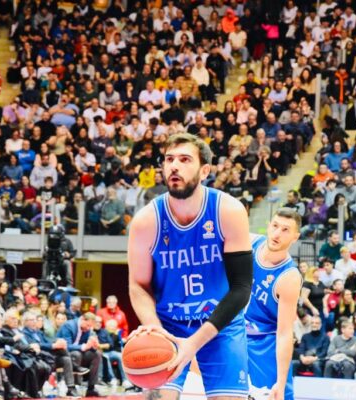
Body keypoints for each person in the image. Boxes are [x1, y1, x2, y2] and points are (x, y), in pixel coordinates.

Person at [127, 134, 253, 398]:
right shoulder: (146, 221)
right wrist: (154, 328)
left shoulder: (228, 211)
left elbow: (241, 288)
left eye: (185, 160)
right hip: (168, 323)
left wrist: (193, 344)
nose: (174, 166)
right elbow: (138, 285)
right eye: (169, 159)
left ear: (205, 170)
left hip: (220, 323)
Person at [245, 208, 301, 400]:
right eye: (275, 226)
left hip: (264, 343)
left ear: (295, 237)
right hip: (236, 332)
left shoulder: (289, 277)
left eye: (285, 230)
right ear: (268, 226)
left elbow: (284, 333)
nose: (277, 234)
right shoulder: (250, 242)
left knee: (276, 395)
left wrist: (281, 382)